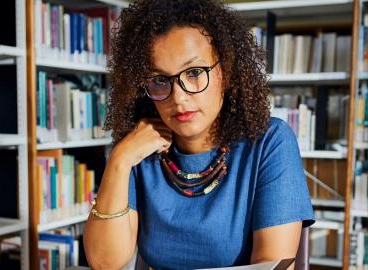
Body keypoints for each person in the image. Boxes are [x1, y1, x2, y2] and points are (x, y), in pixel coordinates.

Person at [83, 0, 315, 269]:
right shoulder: (140, 153)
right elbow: (105, 263)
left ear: (226, 72)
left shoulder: (269, 141)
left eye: (194, 73)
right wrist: (120, 160)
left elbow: (271, 264)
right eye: (160, 79)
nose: (179, 97)